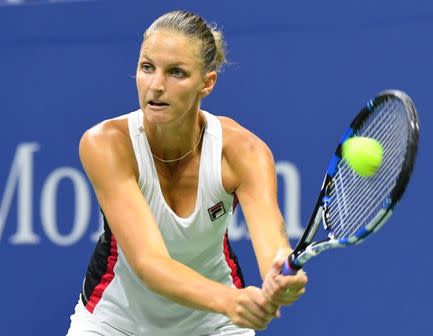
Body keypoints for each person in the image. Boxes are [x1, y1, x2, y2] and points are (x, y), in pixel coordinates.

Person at [66, 10, 307, 336]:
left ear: (206, 83)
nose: (156, 85)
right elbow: (149, 263)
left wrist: (281, 276)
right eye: (147, 67)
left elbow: (272, 245)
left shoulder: (243, 152)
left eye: (176, 72)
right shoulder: (106, 144)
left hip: (216, 325)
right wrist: (231, 301)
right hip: (114, 320)